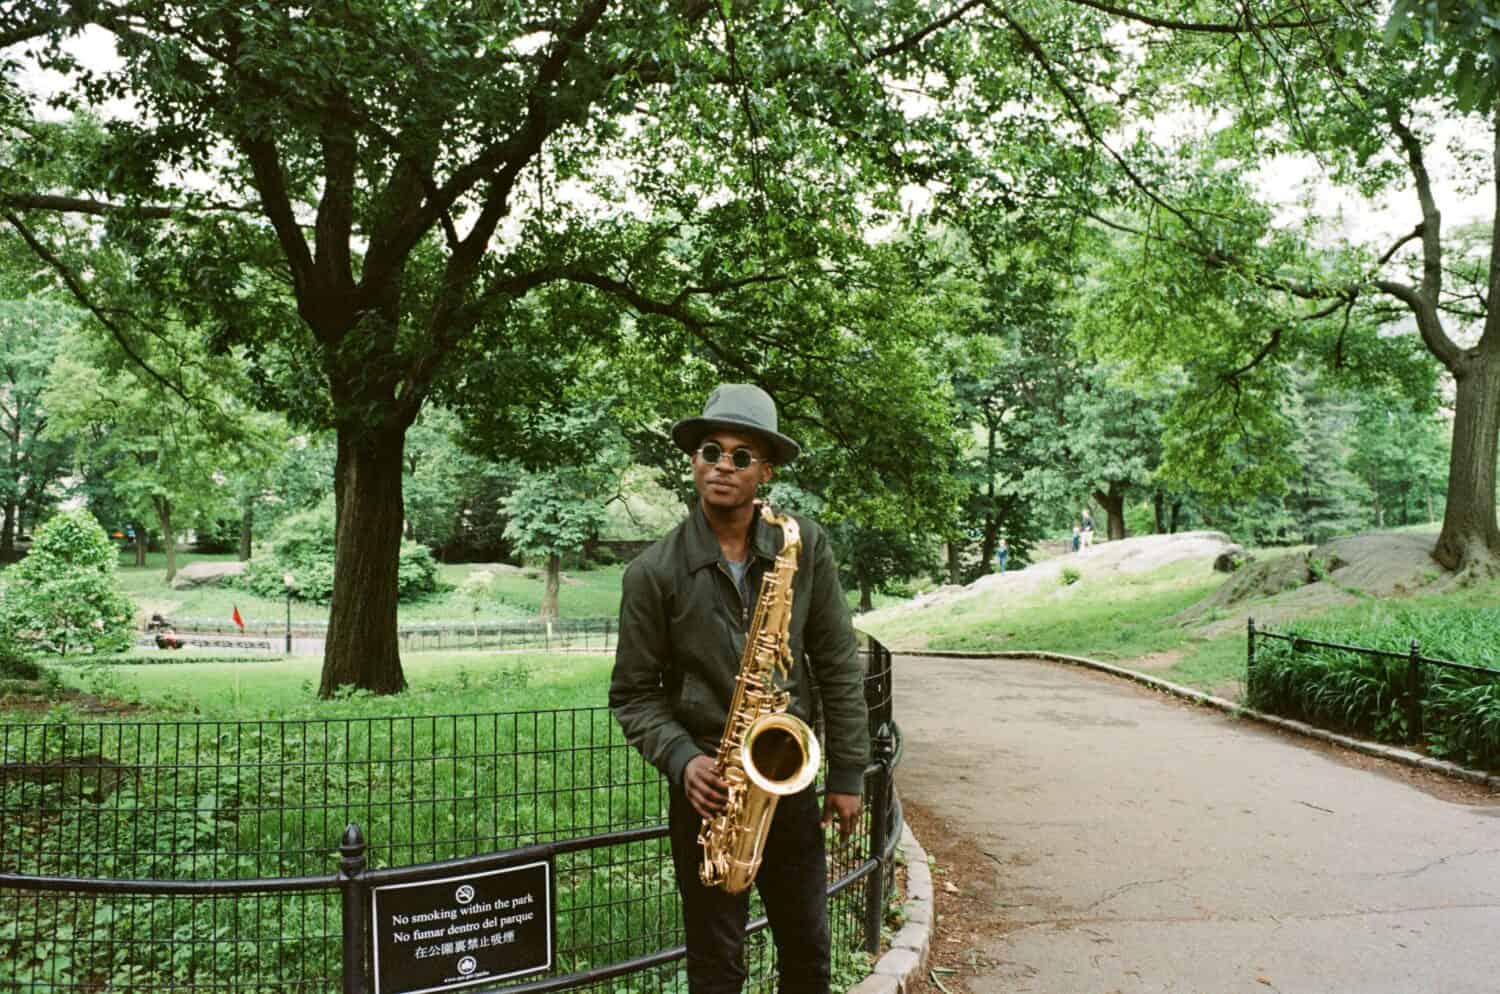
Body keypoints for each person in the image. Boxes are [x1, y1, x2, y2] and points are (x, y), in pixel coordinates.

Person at [609, 383, 870, 994]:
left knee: (808, 950)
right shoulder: (652, 573)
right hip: (711, 787)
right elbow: (633, 695)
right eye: (710, 450)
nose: (722, 466)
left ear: (765, 470)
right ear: (693, 461)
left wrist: (849, 775)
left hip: (787, 777)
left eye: (740, 455)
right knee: (716, 963)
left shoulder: (801, 547)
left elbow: (835, 661)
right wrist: (684, 761)